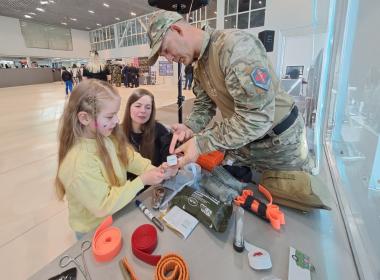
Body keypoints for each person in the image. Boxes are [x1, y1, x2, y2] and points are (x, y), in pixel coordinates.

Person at [147, 11, 313, 172]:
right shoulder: (198, 66)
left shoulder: (234, 47)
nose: (169, 58)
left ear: (177, 30)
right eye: (164, 56)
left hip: (283, 147)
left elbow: (256, 117)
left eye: (167, 49)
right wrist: (190, 127)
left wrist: (201, 143)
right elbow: (204, 106)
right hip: (246, 146)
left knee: (293, 194)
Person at [55, 79, 177, 239]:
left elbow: (131, 159)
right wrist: (141, 181)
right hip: (92, 230)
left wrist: (157, 171)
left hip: (115, 213)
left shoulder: (107, 137)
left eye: (116, 114)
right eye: (110, 116)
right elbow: (103, 205)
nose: (116, 121)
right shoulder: (78, 163)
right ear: (85, 118)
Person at [122, 88, 172, 167]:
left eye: (148, 107)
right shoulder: (118, 133)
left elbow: (169, 159)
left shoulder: (160, 131)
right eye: (138, 106)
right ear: (129, 108)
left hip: (157, 177)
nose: (143, 111)